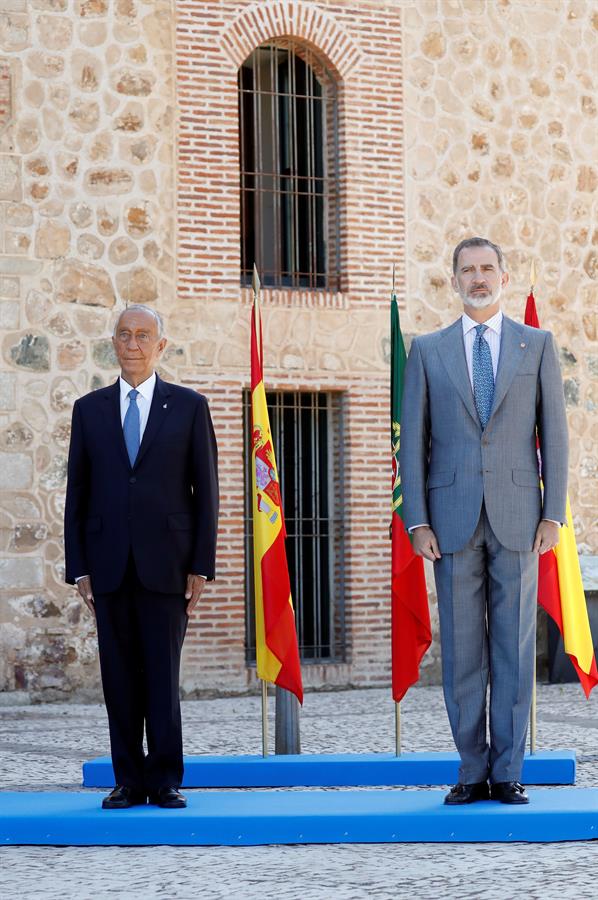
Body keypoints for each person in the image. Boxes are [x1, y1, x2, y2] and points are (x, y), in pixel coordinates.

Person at [400, 237, 568, 805]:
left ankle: (508, 771)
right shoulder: (427, 350)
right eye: (467, 269)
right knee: (464, 651)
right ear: (453, 279)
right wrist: (417, 521)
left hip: (521, 516)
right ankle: (471, 771)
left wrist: (554, 513)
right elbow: (414, 444)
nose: (478, 277)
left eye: (487, 268)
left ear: (503, 274)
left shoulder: (537, 345)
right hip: (449, 523)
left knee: (515, 652)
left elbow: (556, 437)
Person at [64, 304, 219, 809]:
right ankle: (129, 779)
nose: (133, 344)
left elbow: (206, 491)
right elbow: (78, 492)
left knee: (160, 675)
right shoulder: (89, 410)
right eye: (125, 335)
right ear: (113, 343)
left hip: (168, 564)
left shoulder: (190, 406)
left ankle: (165, 779)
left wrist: (200, 564)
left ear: (161, 346)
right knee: (119, 678)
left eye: (143, 336)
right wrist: (79, 566)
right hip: (107, 565)